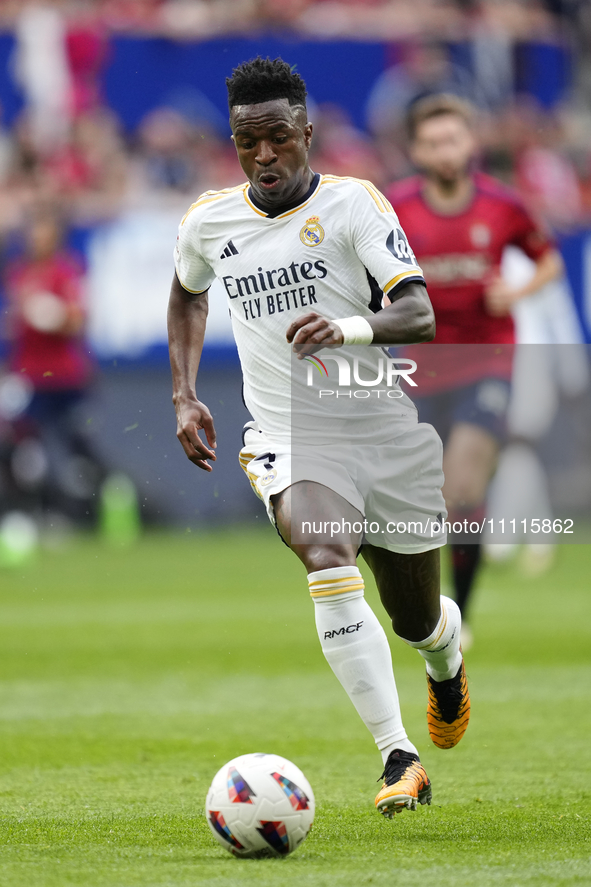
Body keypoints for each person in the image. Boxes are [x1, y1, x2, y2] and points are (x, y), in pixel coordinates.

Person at [168, 57, 470, 820]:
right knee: (323, 548)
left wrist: (348, 325)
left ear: (306, 131)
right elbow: (186, 291)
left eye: (277, 138)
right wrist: (182, 391)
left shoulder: (352, 206)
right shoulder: (209, 220)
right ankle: (398, 754)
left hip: (380, 429)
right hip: (288, 434)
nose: (263, 156)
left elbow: (419, 313)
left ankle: (444, 655)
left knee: (416, 617)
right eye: (247, 143)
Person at [386, 95, 562, 641]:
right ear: (416, 148)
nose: (444, 151)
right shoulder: (394, 208)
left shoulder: (501, 206)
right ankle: (425, 603)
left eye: (453, 139)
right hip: (418, 365)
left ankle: (456, 615)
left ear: (472, 143)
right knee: (418, 497)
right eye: (432, 141)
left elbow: (548, 260)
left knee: (462, 483)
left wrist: (518, 290)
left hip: (487, 361)